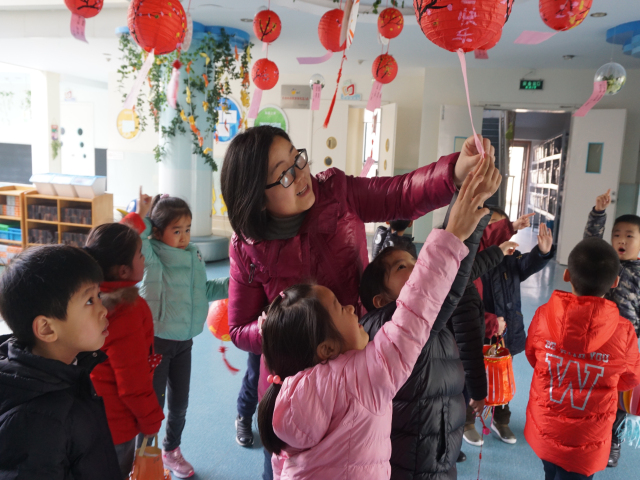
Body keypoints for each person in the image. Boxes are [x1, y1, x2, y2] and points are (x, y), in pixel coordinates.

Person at [220, 125, 495, 479]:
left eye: (297, 159)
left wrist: (453, 171)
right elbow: (238, 329)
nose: (301, 175)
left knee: (368, 457)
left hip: (360, 364)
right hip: (295, 385)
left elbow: (400, 193)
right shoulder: (246, 246)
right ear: (257, 198)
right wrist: (279, 327)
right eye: (284, 174)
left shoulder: (336, 192)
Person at [357, 174, 501, 480]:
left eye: (414, 261)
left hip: (437, 458)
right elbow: (444, 279)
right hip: (412, 467)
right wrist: (466, 201)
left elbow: (452, 284)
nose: (416, 268)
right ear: (381, 300)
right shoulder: (393, 329)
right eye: (402, 267)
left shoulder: (428, 323)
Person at [122, 192, 229, 479]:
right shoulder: (152, 255)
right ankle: (142, 459)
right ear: (158, 231)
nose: (184, 237)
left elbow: (204, 291)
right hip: (157, 343)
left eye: (187, 229)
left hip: (184, 343)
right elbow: (133, 237)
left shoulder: (193, 255)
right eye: (176, 230)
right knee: (153, 406)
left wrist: (236, 285)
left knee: (180, 403)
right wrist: (146, 215)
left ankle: (171, 450)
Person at [0, 245, 121, 480]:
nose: (103, 310)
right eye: (89, 301)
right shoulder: (37, 423)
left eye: (99, 296)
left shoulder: (70, 368)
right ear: (46, 328)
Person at [525, 237, 640, 480]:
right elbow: (630, 378)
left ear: (567, 275)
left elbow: (533, 357)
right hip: (587, 439)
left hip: (546, 426)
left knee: (549, 472)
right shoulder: (624, 331)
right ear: (615, 282)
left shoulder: (544, 315)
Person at [84, 223, 165, 479]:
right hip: (117, 425)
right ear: (123, 270)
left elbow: (105, 240)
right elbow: (132, 382)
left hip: (89, 415)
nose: (144, 259)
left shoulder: (89, 299)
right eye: (140, 255)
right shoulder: (127, 312)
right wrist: (151, 421)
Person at [481, 218, 556, 445]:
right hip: (480, 331)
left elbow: (527, 265)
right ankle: (466, 421)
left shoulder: (511, 258)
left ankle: (500, 420)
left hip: (506, 333)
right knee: (472, 376)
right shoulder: (474, 260)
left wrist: (542, 252)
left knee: (502, 378)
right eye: (490, 225)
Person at [583, 189, 640, 467]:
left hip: (624, 346)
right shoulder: (606, 264)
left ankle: (614, 440)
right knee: (594, 389)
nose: (621, 240)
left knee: (618, 395)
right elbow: (591, 244)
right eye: (617, 235)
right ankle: (590, 432)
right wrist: (598, 213)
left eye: (629, 236)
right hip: (597, 340)